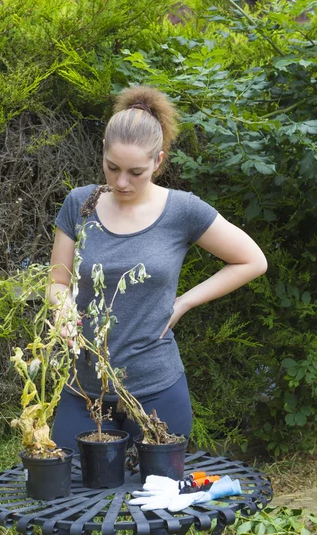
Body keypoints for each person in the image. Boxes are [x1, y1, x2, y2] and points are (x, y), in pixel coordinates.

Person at [50, 85, 267, 452]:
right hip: (83, 389)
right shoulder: (79, 204)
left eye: (136, 172)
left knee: (156, 504)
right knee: (66, 498)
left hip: (157, 391)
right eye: (112, 167)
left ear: (159, 161)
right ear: (103, 148)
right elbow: (57, 279)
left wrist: (183, 302)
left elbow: (252, 260)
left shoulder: (182, 210)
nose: (121, 182)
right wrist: (63, 311)